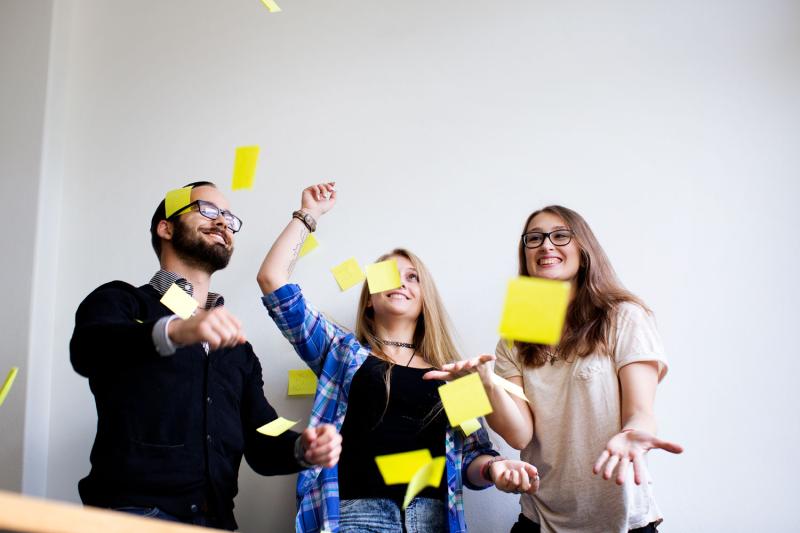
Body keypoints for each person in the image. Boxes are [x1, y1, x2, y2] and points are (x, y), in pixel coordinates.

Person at [257, 182, 541, 533]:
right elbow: (272, 280)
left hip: (432, 521)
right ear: (370, 299)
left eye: (412, 277)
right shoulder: (341, 353)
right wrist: (309, 214)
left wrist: (494, 470)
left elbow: (473, 457)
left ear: (425, 299)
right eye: (388, 275)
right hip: (353, 517)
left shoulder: (451, 373)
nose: (401, 283)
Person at [70, 181, 342, 531]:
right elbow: (89, 349)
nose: (223, 222)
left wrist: (303, 449)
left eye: (229, 217)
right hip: (132, 517)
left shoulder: (238, 349)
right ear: (165, 227)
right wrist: (175, 329)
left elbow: (262, 435)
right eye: (207, 210)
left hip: (216, 522)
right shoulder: (123, 302)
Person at [424, 205, 683, 533]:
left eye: (560, 236)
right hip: (540, 521)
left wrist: (632, 434)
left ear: (583, 249)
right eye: (535, 238)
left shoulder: (623, 317)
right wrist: (486, 387)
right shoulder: (515, 340)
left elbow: (641, 412)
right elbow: (521, 434)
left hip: (621, 521)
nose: (546, 245)